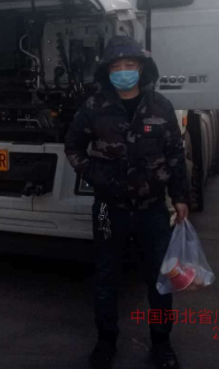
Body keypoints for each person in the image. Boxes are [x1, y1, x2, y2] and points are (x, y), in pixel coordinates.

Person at [65, 36, 190, 369]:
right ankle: (105, 342)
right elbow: (73, 147)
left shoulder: (160, 106)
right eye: (116, 66)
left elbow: (175, 154)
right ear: (107, 71)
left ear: (141, 68)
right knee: (106, 278)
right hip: (109, 209)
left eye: (129, 65)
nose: (123, 72)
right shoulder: (93, 107)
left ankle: (162, 344)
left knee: (160, 279)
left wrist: (180, 197)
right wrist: (96, 176)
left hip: (152, 209)